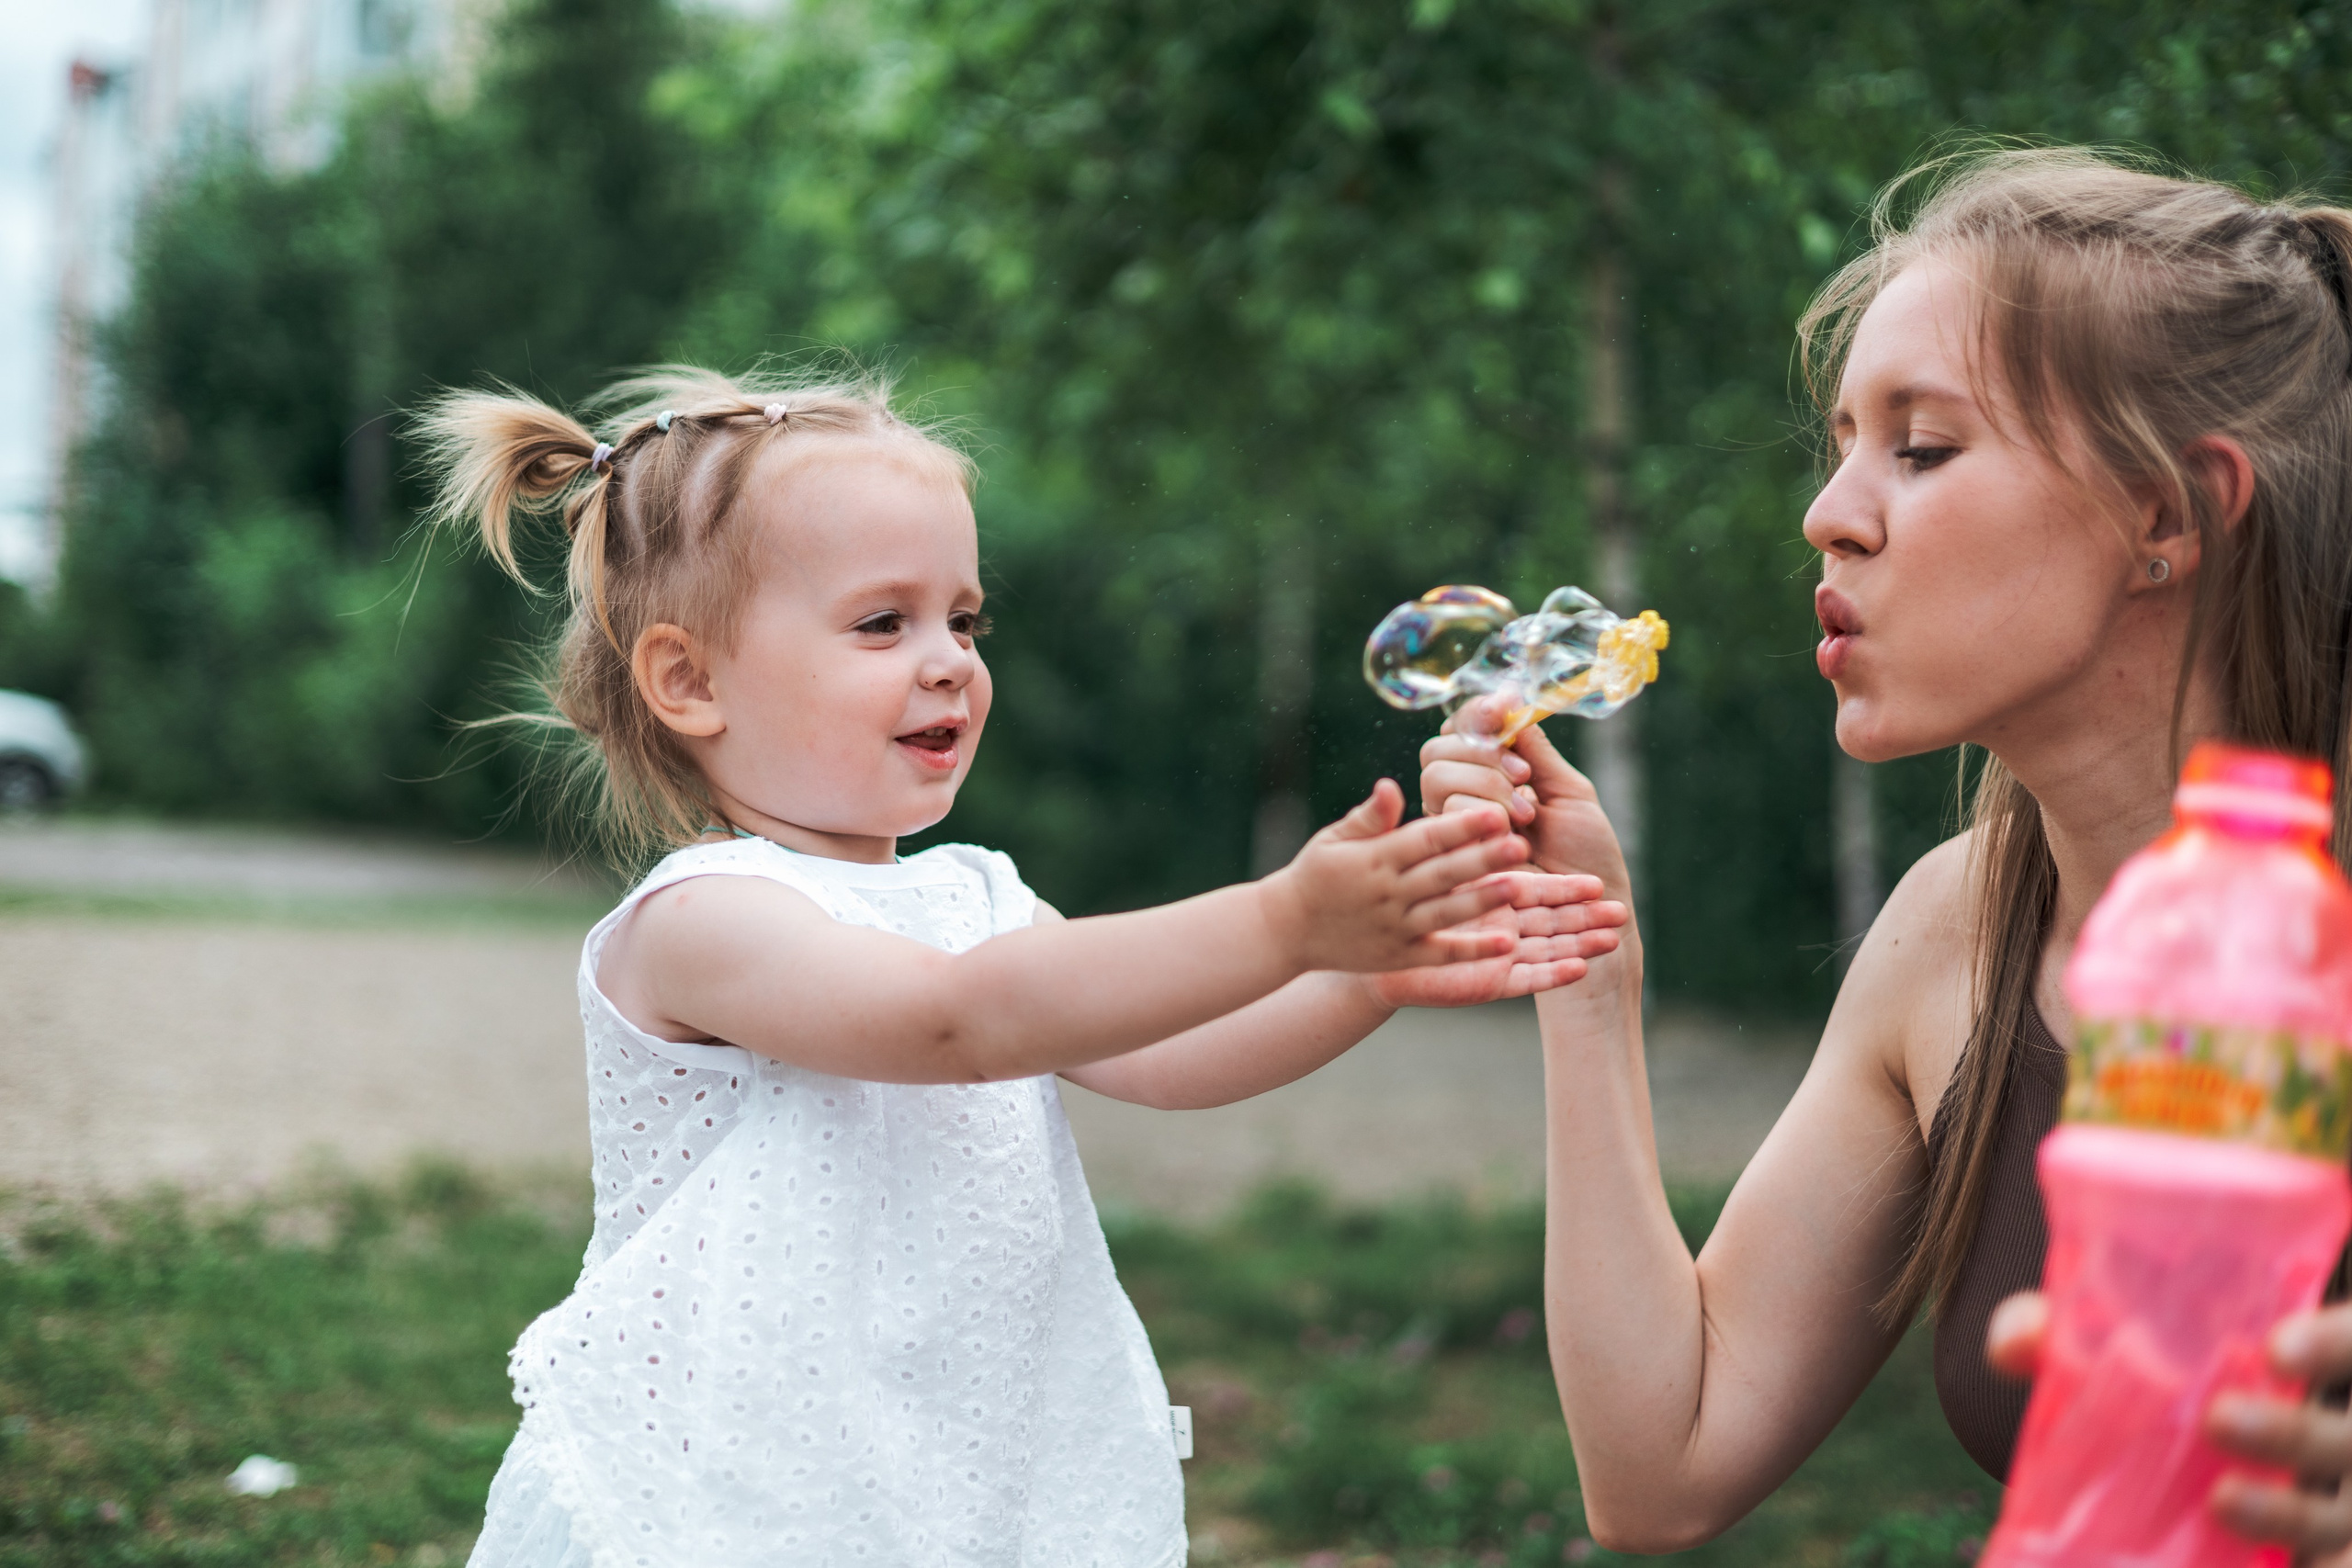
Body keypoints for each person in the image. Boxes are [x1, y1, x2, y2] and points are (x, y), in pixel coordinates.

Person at [415, 366, 1628, 1568]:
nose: (948, 659)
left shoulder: (976, 895)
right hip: (739, 1485)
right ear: (690, 681)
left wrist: (1369, 975)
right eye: (883, 622)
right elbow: (954, 1024)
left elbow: (1170, 1056)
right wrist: (1284, 921)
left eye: (965, 617)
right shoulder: (702, 922)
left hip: (954, 1457)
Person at [1422, 146, 2352, 1559]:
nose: (1830, 513)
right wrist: (1583, 964)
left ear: (2166, 515)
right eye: (1844, 442)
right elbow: (1662, 1463)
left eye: (1920, 448)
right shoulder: (1959, 931)